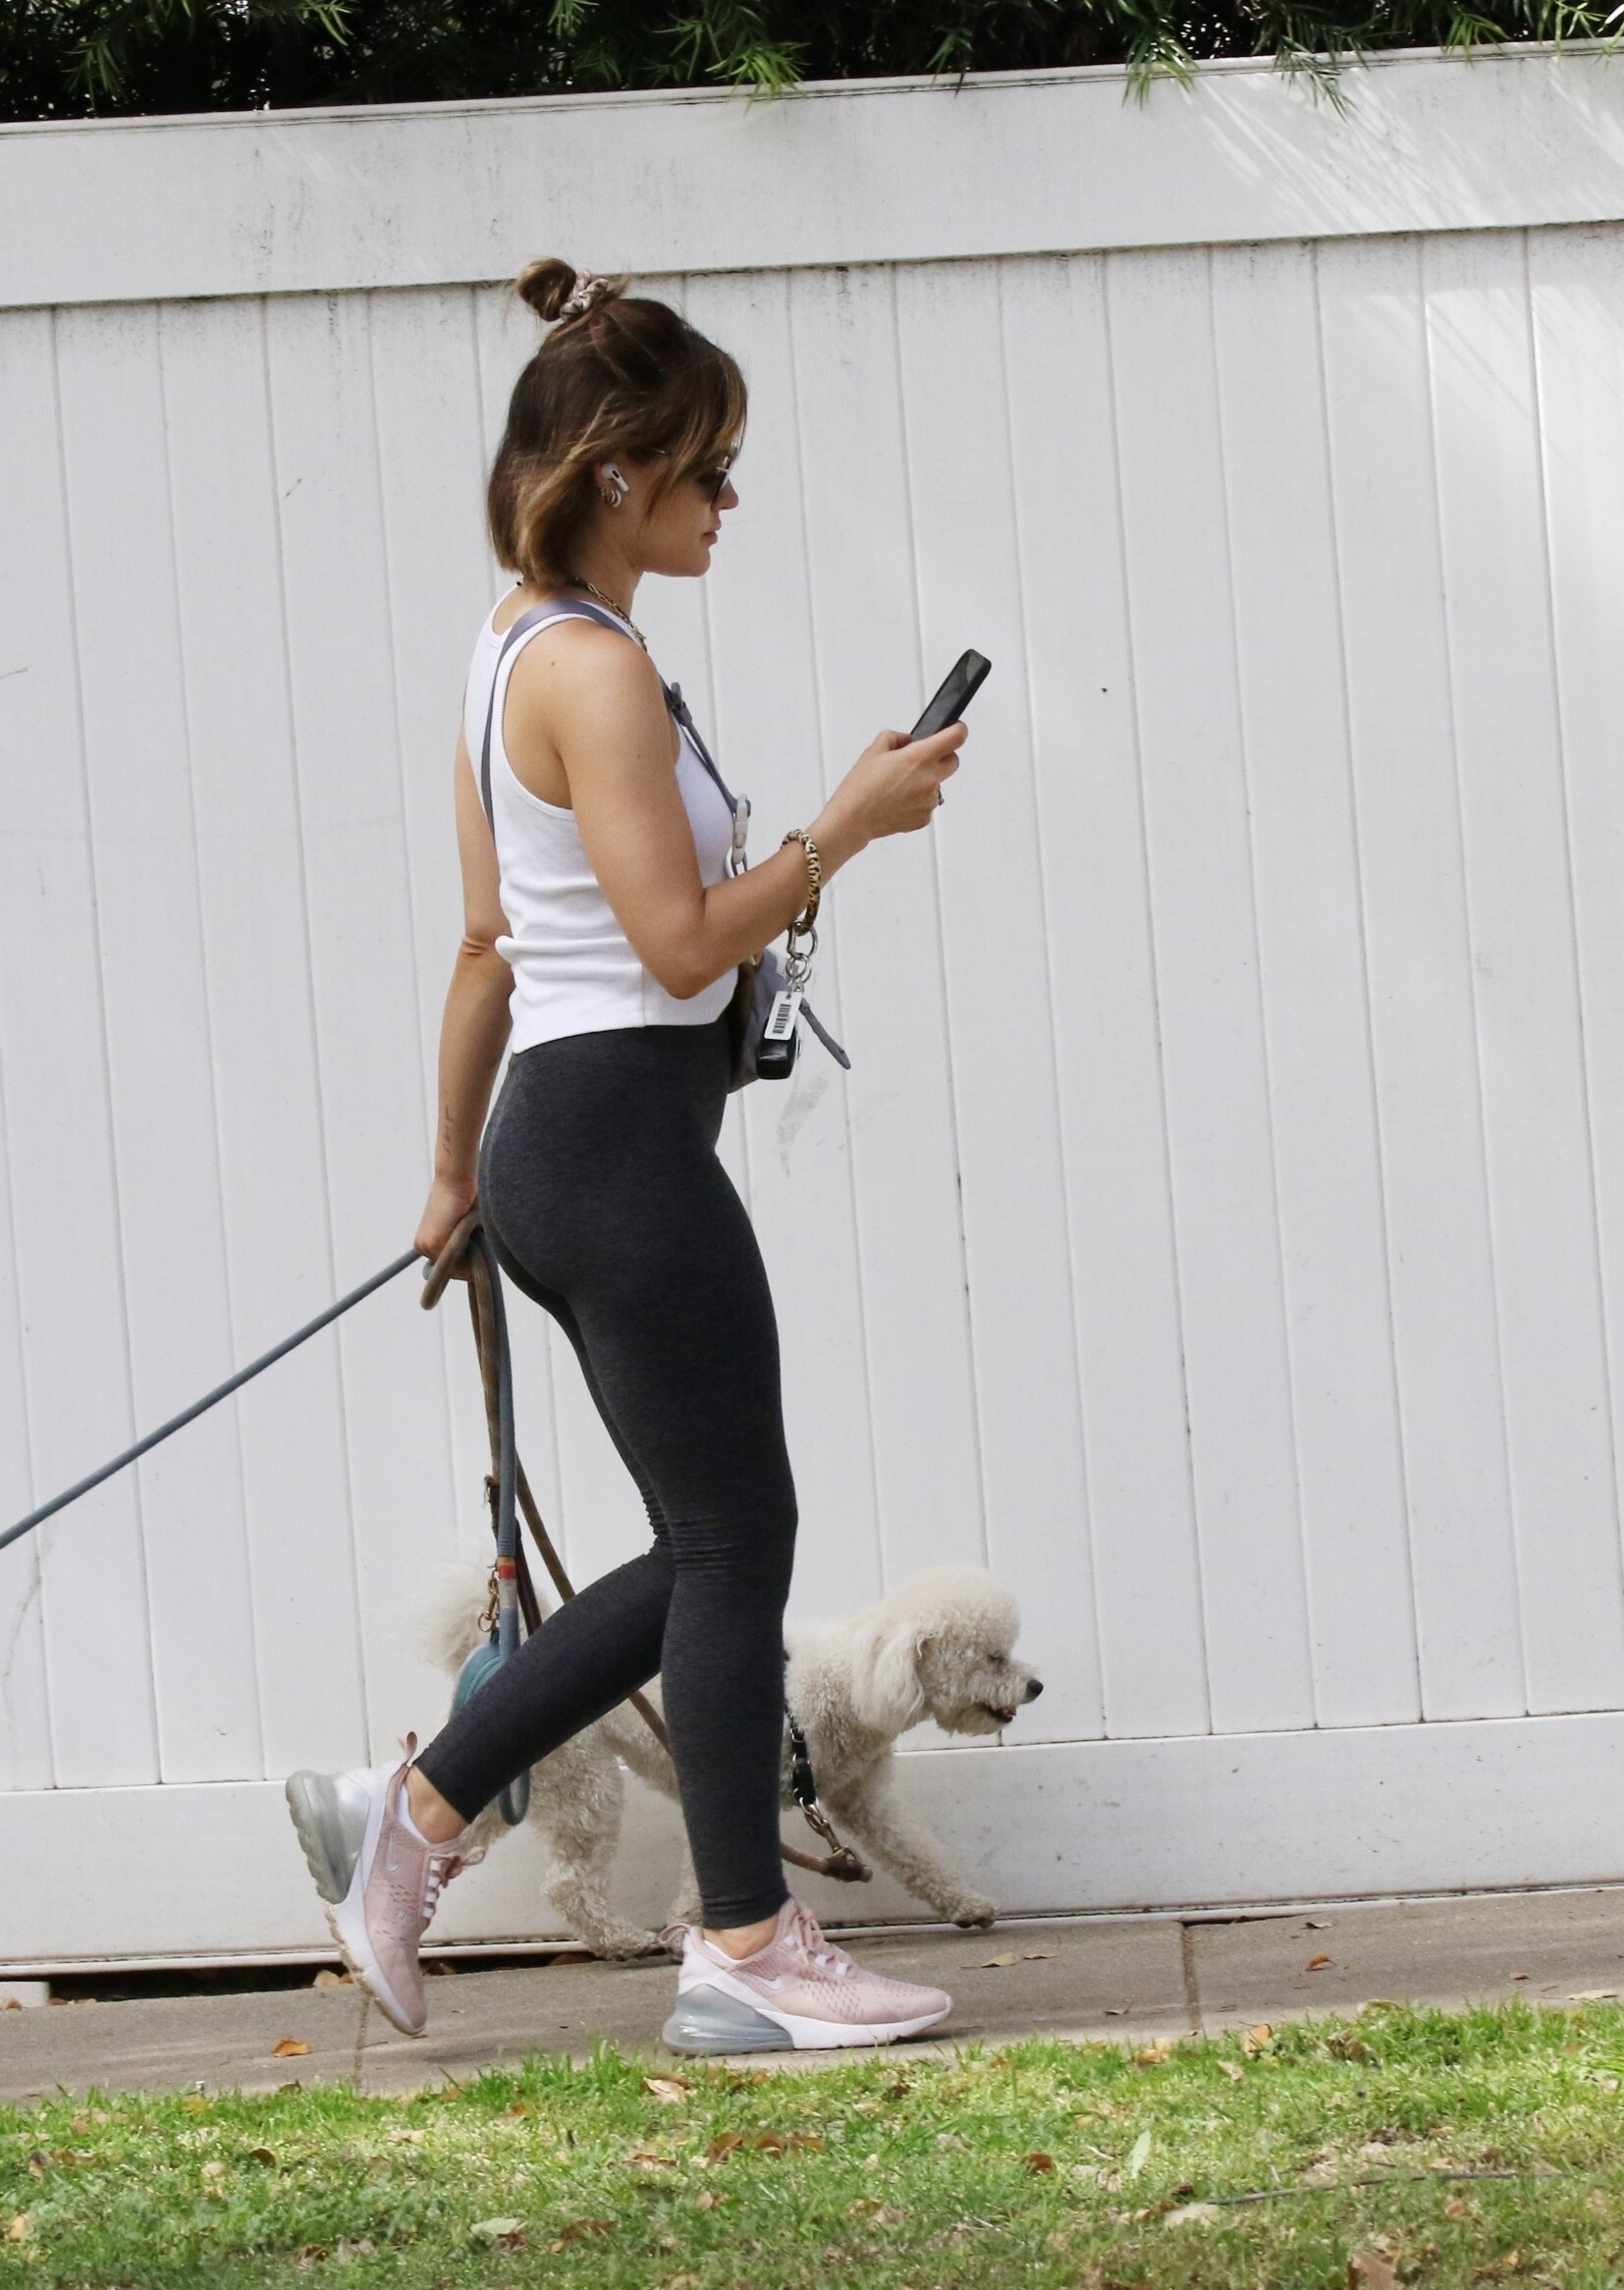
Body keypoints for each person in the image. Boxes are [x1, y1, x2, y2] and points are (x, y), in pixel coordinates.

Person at [285, 256, 969, 2056]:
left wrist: (459, 1176)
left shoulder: (510, 652)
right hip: (620, 1147)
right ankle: (741, 1945)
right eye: (709, 470)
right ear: (617, 472)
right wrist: (846, 826)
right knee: (737, 1541)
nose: (729, 500)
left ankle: (413, 1815)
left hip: (564, 1145)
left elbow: (488, 948)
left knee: (711, 1541)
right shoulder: (591, 671)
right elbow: (674, 948)